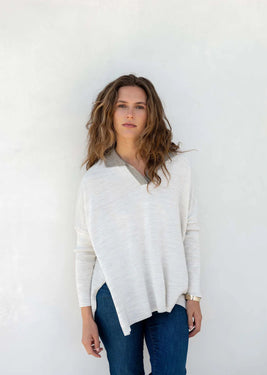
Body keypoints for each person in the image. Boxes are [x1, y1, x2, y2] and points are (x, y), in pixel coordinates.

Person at [73, 74, 203, 375]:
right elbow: (84, 250)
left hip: (169, 292)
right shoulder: (94, 179)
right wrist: (86, 317)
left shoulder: (176, 167)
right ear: (110, 113)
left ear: (151, 113)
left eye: (139, 106)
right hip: (114, 294)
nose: (130, 114)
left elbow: (190, 232)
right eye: (122, 105)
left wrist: (193, 296)